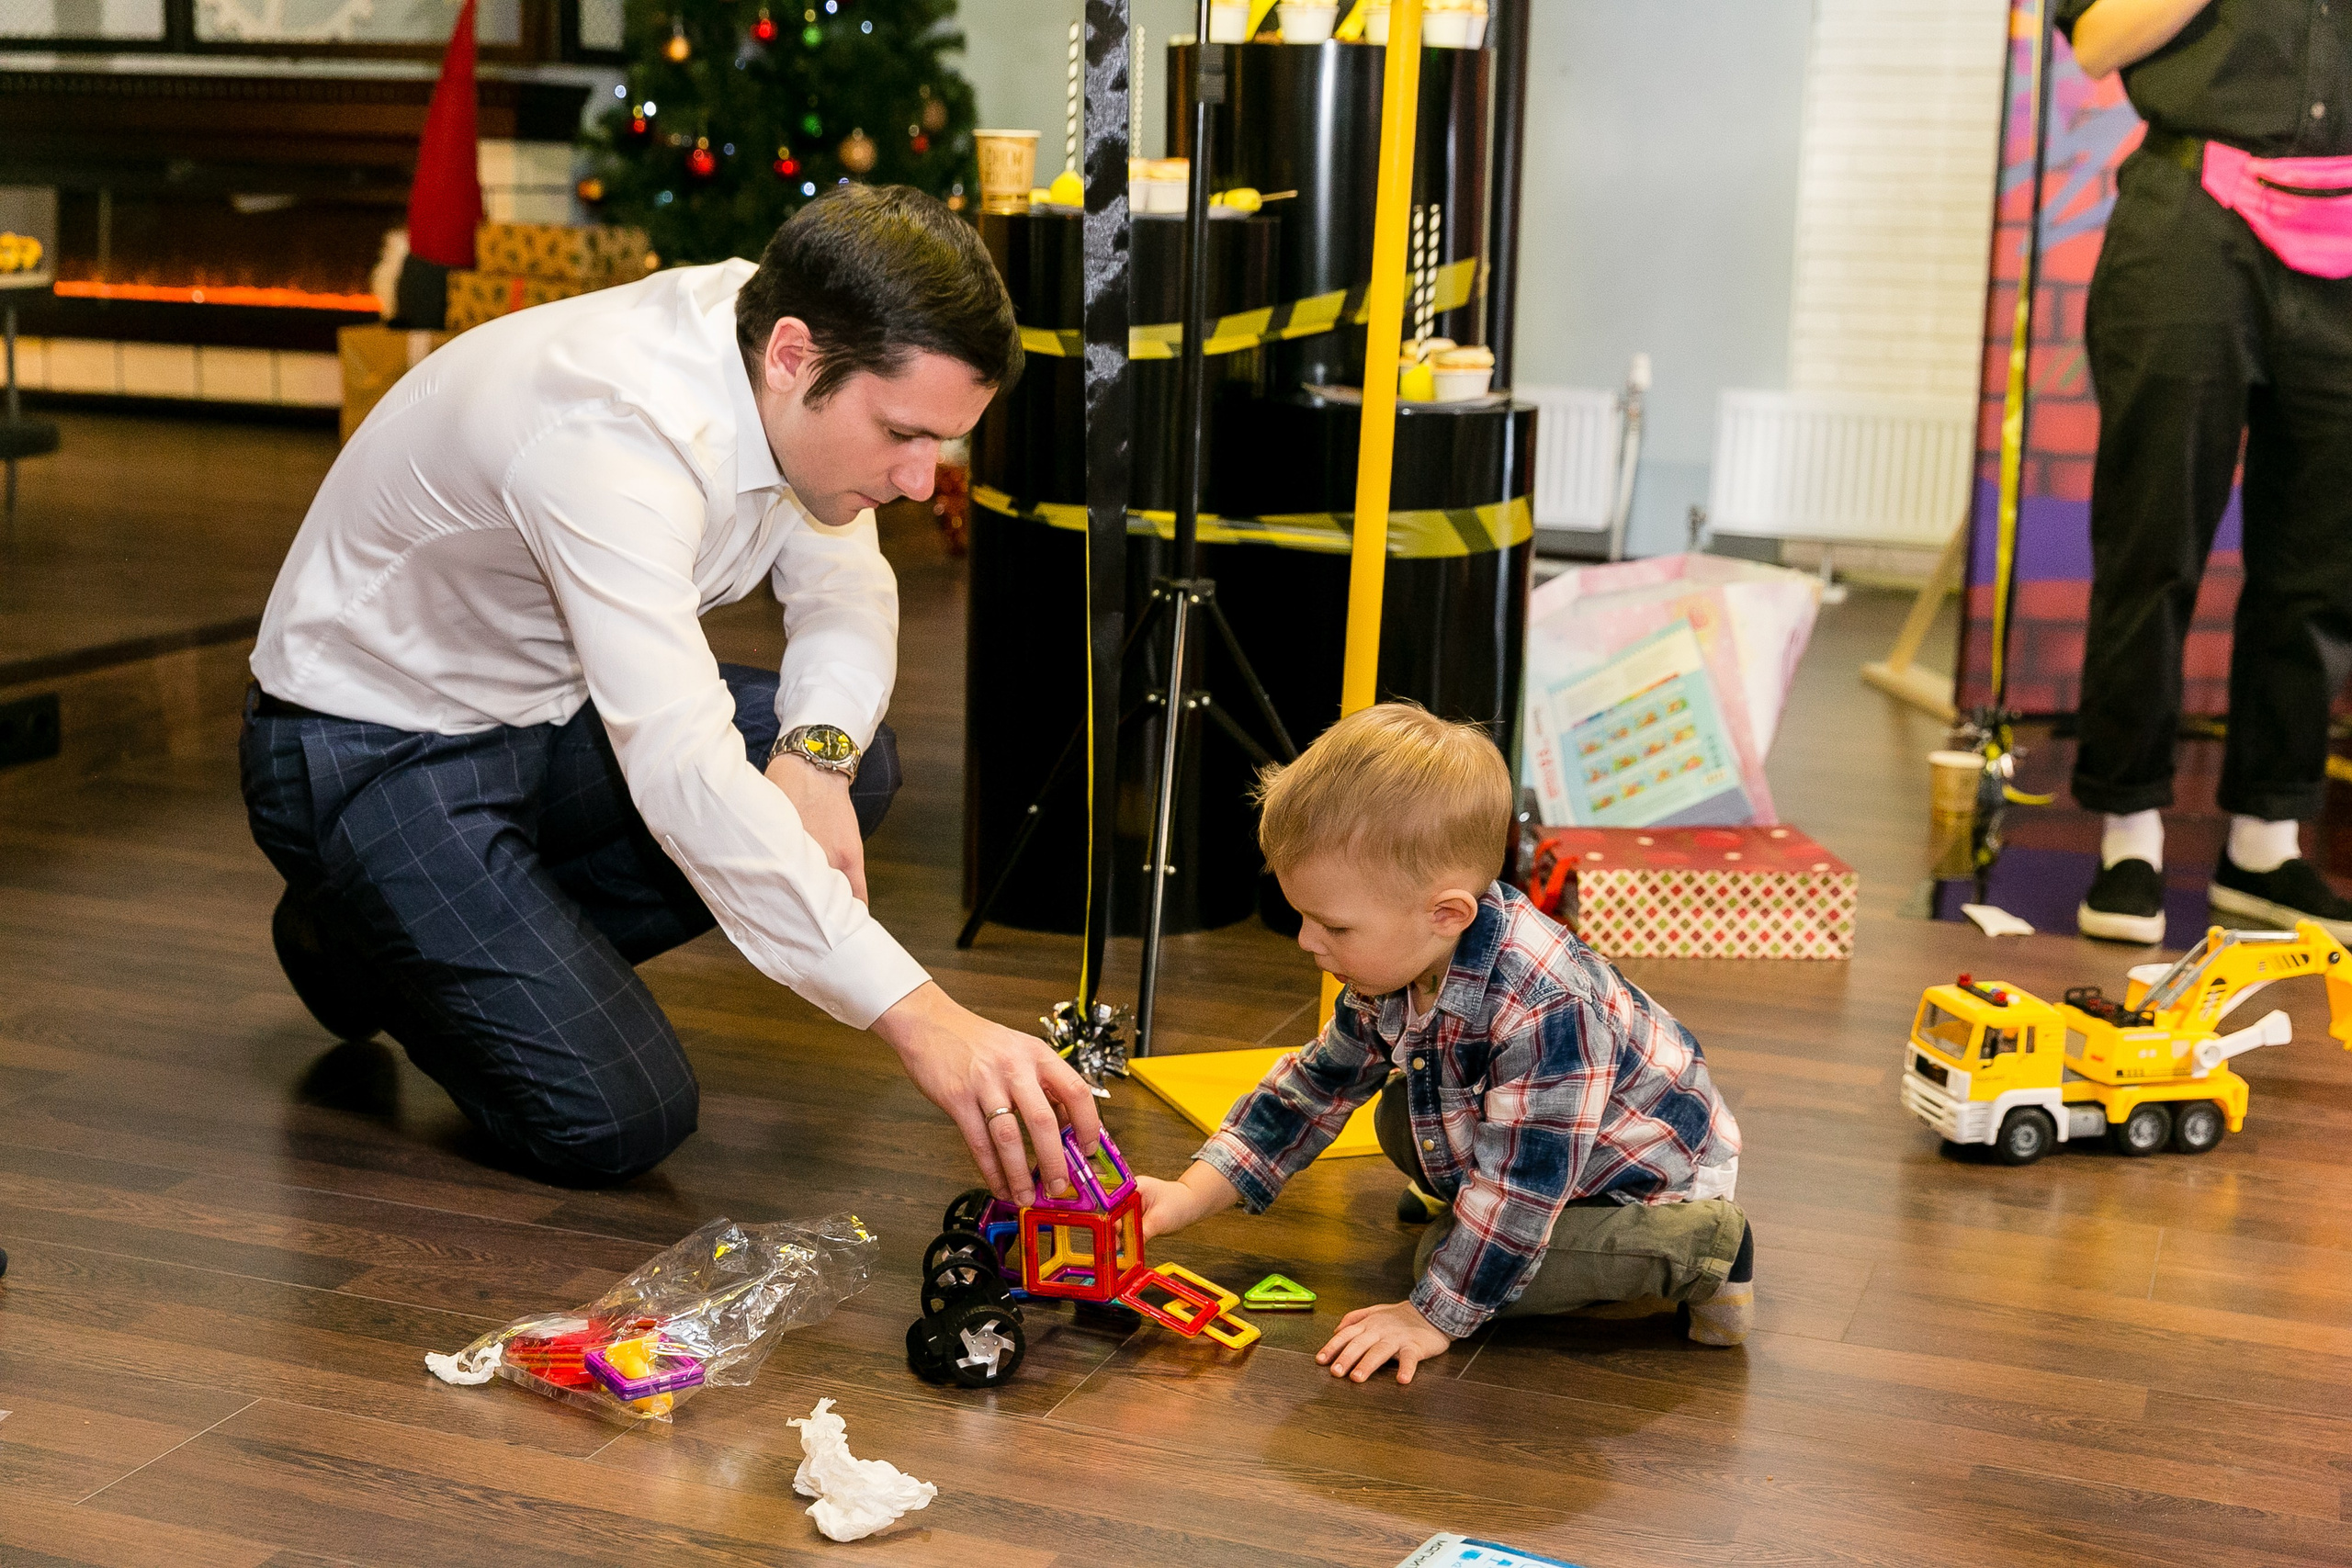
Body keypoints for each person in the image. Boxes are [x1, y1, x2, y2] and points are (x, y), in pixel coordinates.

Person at [241, 185, 1100, 1199]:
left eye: (942, 444)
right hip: (364, 747)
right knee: (618, 1117)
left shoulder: (788, 342)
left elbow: (844, 589)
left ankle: (413, 936)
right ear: (793, 357)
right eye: (904, 434)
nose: (921, 482)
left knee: (842, 772)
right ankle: (367, 929)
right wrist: (925, 1019)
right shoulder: (612, 437)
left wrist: (814, 759)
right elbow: (683, 769)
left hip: (542, 716)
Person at [1135, 705, 1753, 1384]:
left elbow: (1521, 1191)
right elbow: (1313, 1089)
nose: (1309, 942)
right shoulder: (1394, 962)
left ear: (1447, 913)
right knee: (1396, 1113)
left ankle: (1710, 1251)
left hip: (1637, 1178)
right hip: (1540, 1140)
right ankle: (1463, 1202)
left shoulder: (1550, 1009)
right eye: (1302, 916)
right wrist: (1186, 1194)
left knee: (1442, 1255)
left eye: (1332, 925)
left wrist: (1431, 1314)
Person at [2064, 0, 2352, 943]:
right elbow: (2100, 38)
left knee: (2320, 565)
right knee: (2154, 536)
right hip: (2191, 218)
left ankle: (2265, 846)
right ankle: (2128, 835)